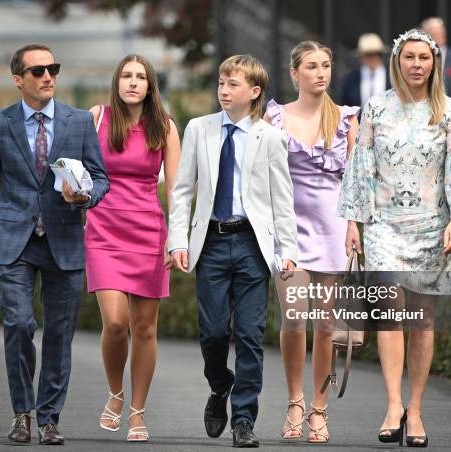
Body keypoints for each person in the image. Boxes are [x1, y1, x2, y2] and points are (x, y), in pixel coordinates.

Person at [338, 29, 451, 447]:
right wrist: (352, 223)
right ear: (397, 61)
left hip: (432, 227)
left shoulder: (449, 110)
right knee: (391, 315)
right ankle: (393, 404)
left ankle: (415, 410)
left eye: (424, 58)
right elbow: (360, 166)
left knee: (423, 320)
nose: (417, 64)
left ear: (434, 63)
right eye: (409, 57)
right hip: (384, 227)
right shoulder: (376, 108)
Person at [0, 44, 109, 445]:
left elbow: (101, 179)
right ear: (18, 79)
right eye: (37, 71)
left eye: (53, 69)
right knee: (18, 324)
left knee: (59, 335)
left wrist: (84, 197)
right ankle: (21, 413)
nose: (48, 76)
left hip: (64, 240)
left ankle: (49, 419)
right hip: (13, 242)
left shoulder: (79, 121)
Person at [168, 54, 298, 448]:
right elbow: (183, 191)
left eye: (233, 84)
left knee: (249, 335)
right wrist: (177, 241)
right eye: (221, 83)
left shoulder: (271, 138)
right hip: (209, 241)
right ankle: (220, 385)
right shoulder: (199, 129)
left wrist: (287, 249)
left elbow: (283, 198)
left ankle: (243, 419)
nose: (224, 90)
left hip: (251, 246)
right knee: (211, 333)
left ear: (254, 92)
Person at [265, 40, 359, 443]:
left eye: (325, 66)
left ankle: (318, 410)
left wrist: (355, 226)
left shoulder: (346, 119)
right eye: (311, 66)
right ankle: (294, 401)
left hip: (334, 229)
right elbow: (262, 177)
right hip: (288, 231)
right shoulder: (275, 118)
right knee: (293, 316)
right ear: (295, 73)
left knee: (326, 325)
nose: (320, 73)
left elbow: (357, 180)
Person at [85, 54, 181, 442]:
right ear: (117, 81)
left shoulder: (166, 127)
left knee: (144, 328)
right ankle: (115, 393)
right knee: (116, 322)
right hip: (102, 230)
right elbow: (76, 172)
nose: (133, 82)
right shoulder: (95, 118)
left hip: (148, 232)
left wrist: (177, 240)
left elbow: (176, 190)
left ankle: (138, 412)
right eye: (126, 75)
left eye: (141, 76)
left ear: (150, 85)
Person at [340, 33, 391, 111]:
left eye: (377, 54)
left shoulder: (392, 76)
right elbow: (345, 106)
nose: (373, 57)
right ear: (361, 56)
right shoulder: (351, 79)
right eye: (368, 54)